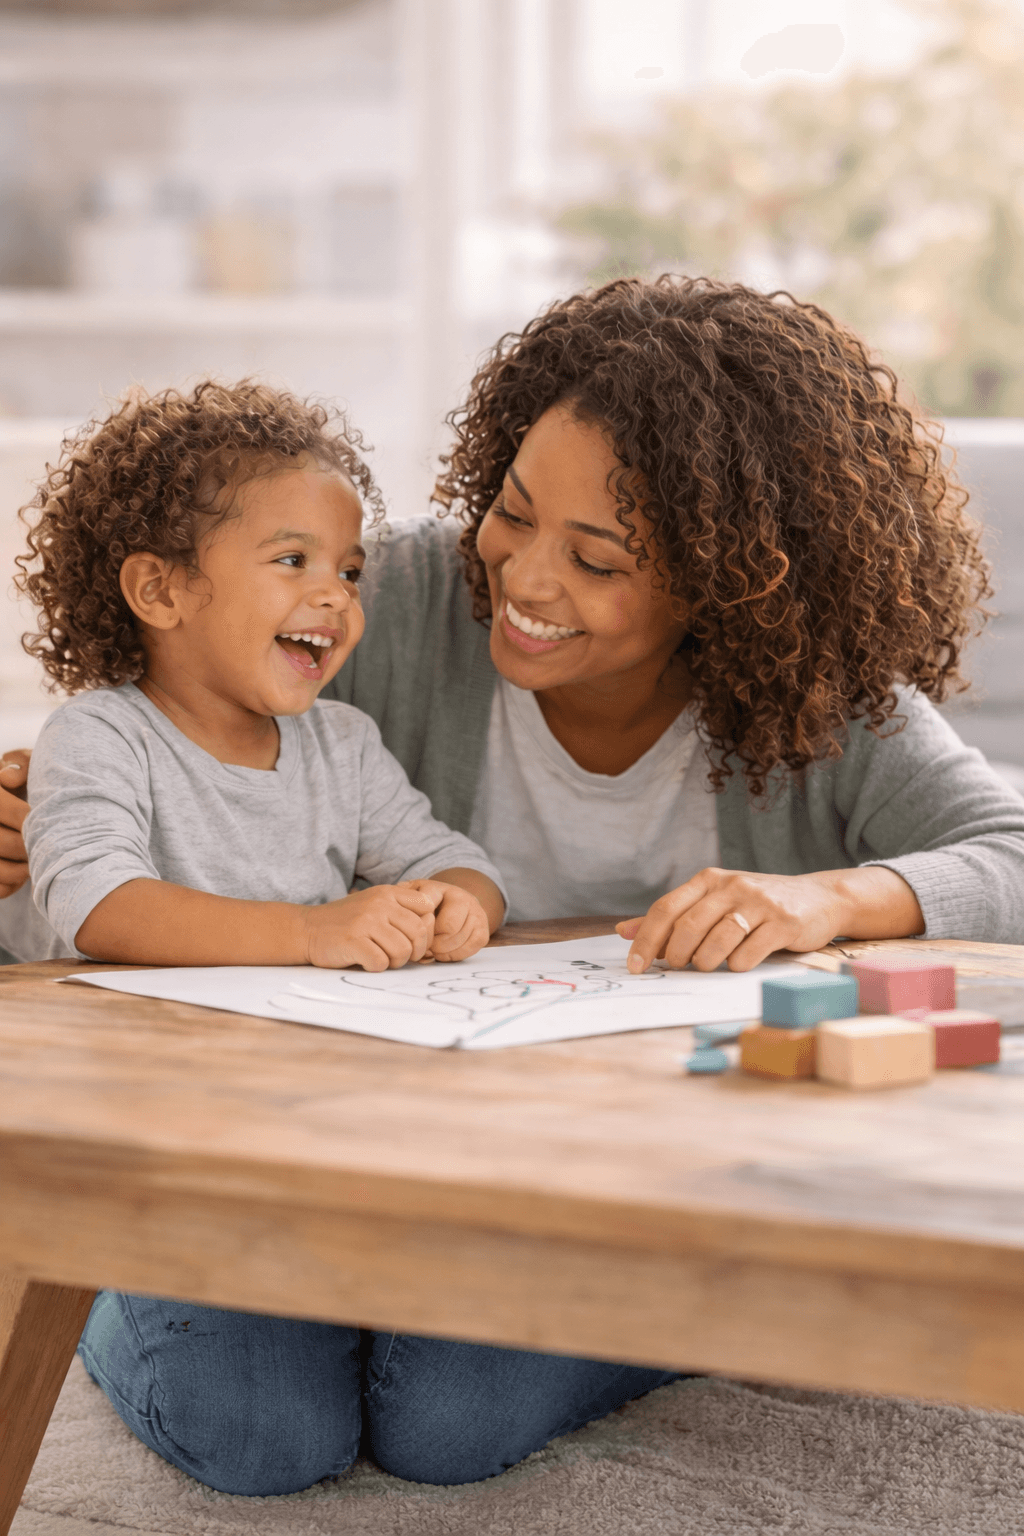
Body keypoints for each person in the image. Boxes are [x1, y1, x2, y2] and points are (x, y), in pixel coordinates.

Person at [3, 276, 1023, 1494]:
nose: (524, 581)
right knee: (251, 1421)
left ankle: (648, 1304)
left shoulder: (811, 690)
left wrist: (826, 899)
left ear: (734, 578)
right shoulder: (393, 598)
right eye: (511, 511)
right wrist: (46, 811)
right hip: (324, 1140)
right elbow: (188, 683)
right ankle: (126, 1265)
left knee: (448, 1417)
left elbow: (1005, 855)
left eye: (596, 558)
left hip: (622, 1170)